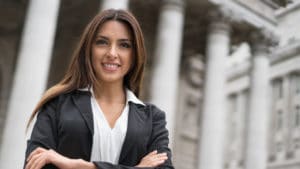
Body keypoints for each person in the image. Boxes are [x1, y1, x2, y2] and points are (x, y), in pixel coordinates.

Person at [24, 9, 173, 169]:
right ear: (89, 49)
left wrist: (80, 166)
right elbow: (35, 164)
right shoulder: (57, 105)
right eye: (102, 42)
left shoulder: (153, 119)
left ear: (135, 54)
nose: (112, 53)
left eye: (124, 45)